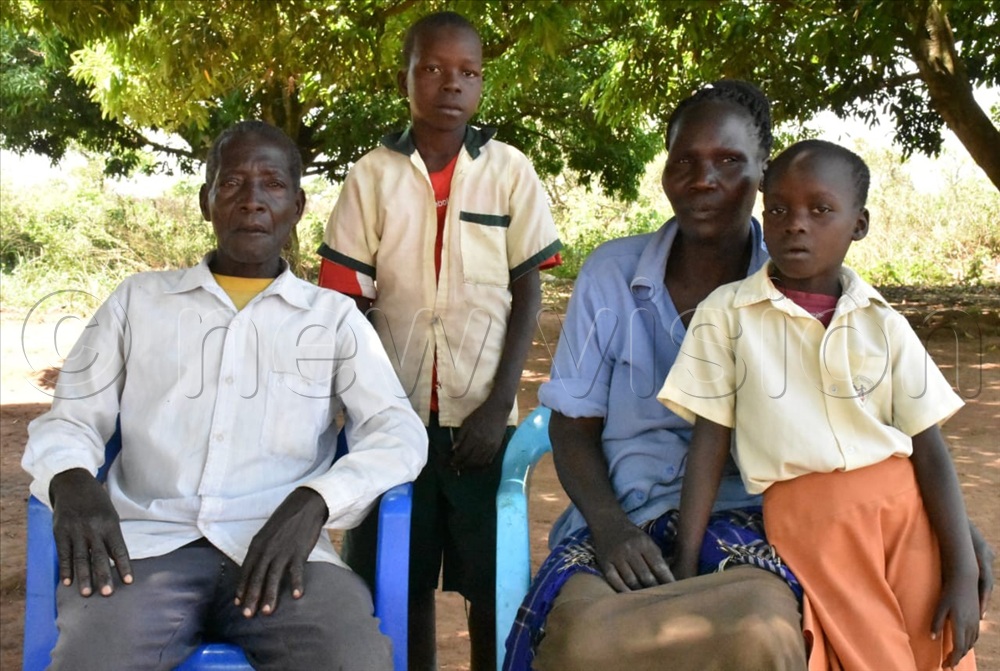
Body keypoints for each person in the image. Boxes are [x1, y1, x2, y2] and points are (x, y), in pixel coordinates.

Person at [504, 81, 994, 671]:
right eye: (684, 161)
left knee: (762, 634)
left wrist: (947, 531)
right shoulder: (612, 273)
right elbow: (572, 426)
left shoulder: (812, 281)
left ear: (761, 175)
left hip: (758, 524)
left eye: (729, 162)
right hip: (624, 520)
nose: (703, 179)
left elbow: (876, 425)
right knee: (577, 641)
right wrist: (609, 531)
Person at [21, 120, 428, 671]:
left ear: (299, 206)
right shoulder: (139, 302)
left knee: (350, 656)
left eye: (273, 185)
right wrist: (69, 479)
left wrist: (316, 501)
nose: (252, 201)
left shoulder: (332, 319)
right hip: (143, 552)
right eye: (232, 183)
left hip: (286, 559)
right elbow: (71, 418)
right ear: (205, 201)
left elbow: (397, 433)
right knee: (94, 657)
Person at [659, 139, 979, 670]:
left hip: (903, 511)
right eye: (779, 209)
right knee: (872, 655)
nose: (795, 224)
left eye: (820, 209)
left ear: (859, 224)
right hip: (814, 519)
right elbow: (710, 441)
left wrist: (962, 570)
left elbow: (930, 450)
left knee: (935, 647)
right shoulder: (729, 314)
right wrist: (687, 561)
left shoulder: (883, 322)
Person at [317, 11, 562, 671]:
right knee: (398, 575)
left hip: (483, 417)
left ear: (482, 84)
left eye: (468, 72)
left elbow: (527, 290)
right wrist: (377, 406)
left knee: (491, 583)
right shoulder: (371, 175)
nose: (451, 84)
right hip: (389, 420)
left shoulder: (509, 170)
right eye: (432, 68)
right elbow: (349, 303)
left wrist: (497, 402)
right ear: (405, 78)